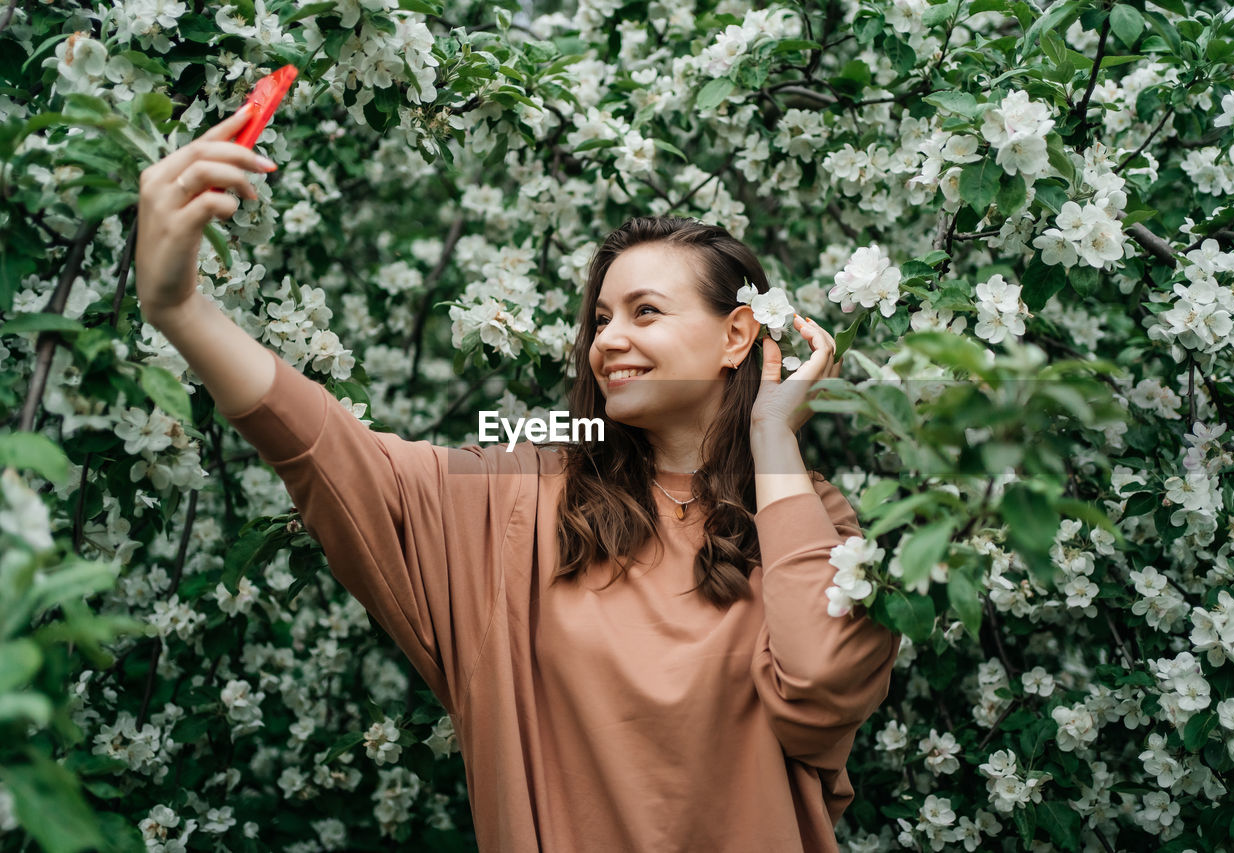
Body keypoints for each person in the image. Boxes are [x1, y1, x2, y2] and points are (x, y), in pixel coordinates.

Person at [135, 107, 901, 853]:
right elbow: (341, 455)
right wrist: (180, 307)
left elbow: (820, 685)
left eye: (645, 311)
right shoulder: (529, 495)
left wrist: (771, 438)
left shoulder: (810, 512)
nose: (610, 341)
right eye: (601, 319)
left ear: (737, 333)